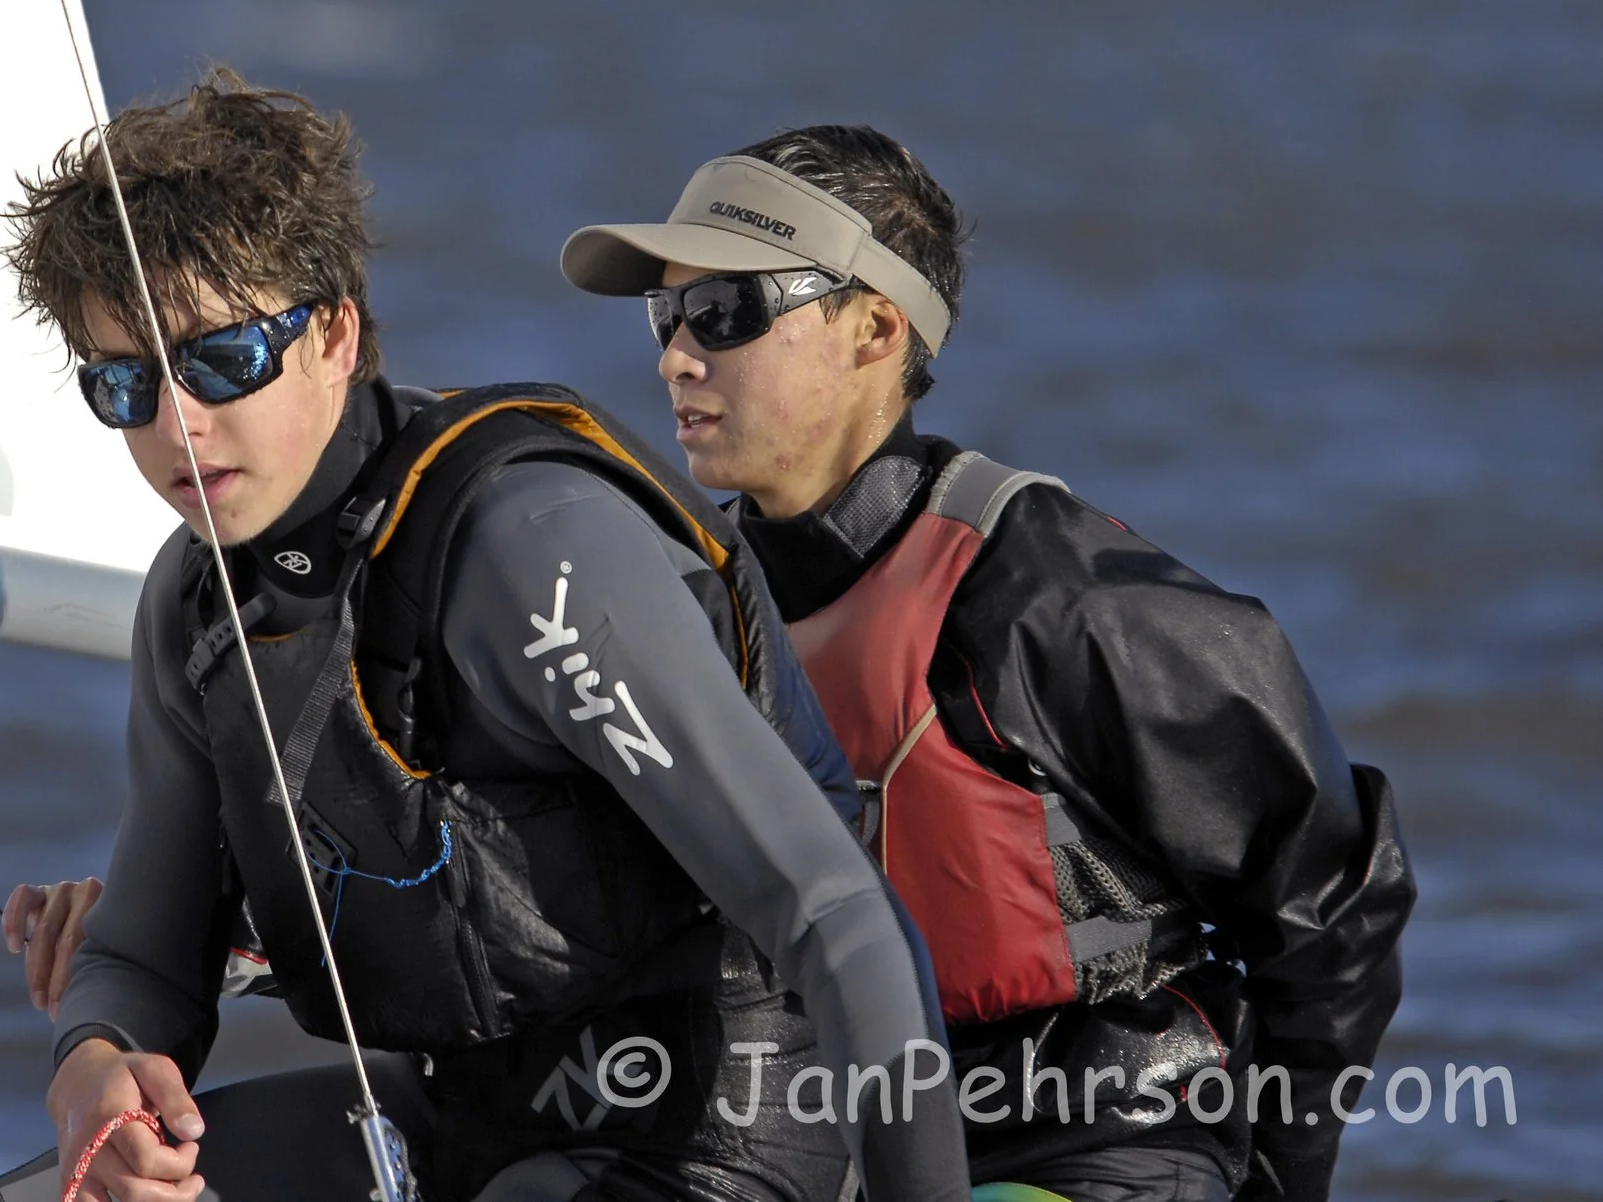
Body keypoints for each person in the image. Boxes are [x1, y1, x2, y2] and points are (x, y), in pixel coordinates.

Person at [0, 73, 969, 1202]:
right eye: (123, 383)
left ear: (334, 335)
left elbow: (838, 916)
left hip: (723, 1131)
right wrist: (94, 1067)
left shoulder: (526, 550)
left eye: (222, 361)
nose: (177, 423)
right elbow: (142, 957)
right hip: (466, 1122)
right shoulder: (198, 606)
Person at [555, 129, 1416, 1202]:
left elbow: (1333, 900)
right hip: (822, 1148)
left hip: (1096, 1145)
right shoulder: (686, 600)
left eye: (725, 311)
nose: (676, 357)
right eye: (666, 315)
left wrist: (1281, 1185)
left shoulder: (1055, 598)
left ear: (875, 329)